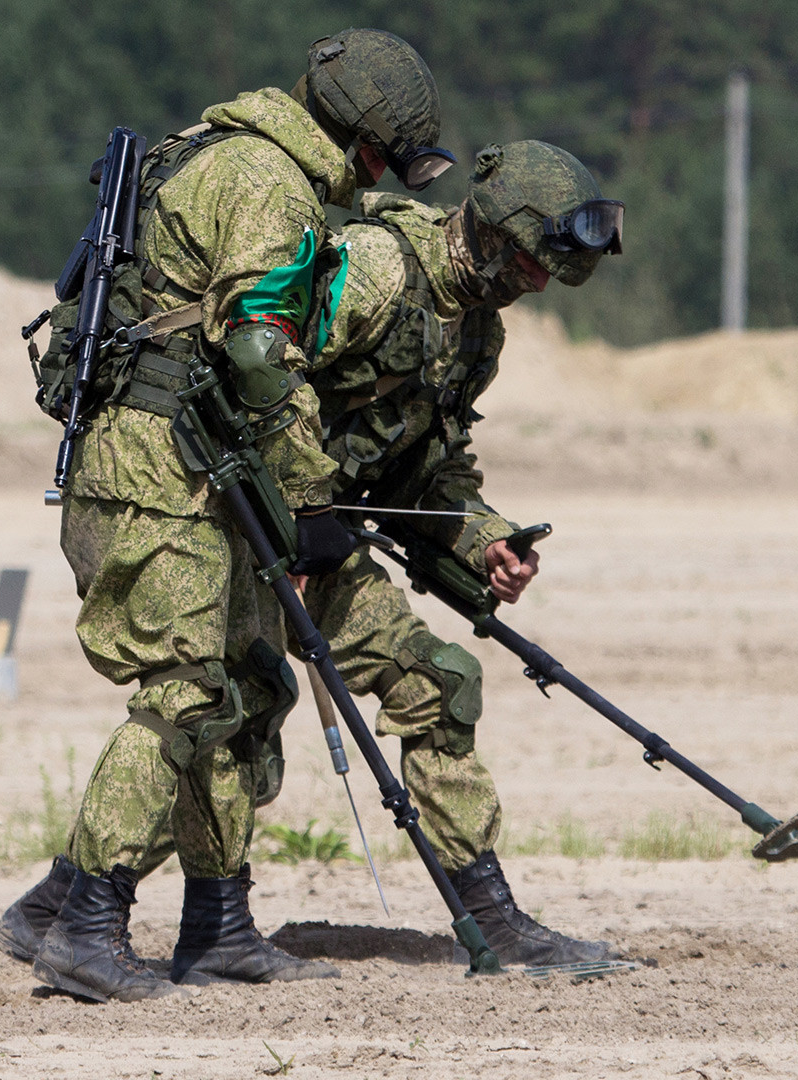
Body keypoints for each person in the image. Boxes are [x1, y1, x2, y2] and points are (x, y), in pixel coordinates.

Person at [0, 28, 450, 1002]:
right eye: (389, 160)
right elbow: (256, 346)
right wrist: (311, 495)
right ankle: (85, 921)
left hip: (187, 463)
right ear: (362, 141)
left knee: (242, 692)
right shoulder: (266, 180)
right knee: (184, 694)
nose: (382, 179)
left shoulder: (215, 149)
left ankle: (218, 924)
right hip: (159, 468)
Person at [295, 140, 624, 964]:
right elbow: (257, 385)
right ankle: (75, 905)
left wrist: (484, 544)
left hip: (318, 544)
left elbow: (430, 472)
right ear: (487, 231)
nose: (538, 282)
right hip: (242, 529)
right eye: (527, 261)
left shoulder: (476, 333)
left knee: (439, 684)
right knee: (216, 719)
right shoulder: (372, 269)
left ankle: (495, 920)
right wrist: (289, 529)